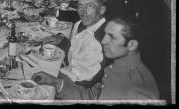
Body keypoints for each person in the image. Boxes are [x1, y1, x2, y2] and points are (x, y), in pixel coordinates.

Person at [32, 15, 160, 100]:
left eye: (112, 37)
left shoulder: (137, 89)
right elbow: (92, 97)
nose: (103, 41)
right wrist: (54, 81)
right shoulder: (116, 66)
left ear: (132, 45)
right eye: (105, 35)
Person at [33, 0, 111, 87]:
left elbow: (84, 83)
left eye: (89, 6)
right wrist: (62, 41)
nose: (83, 11)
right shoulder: (80, 24)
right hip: (69, 74)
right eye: (80, 6)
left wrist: (52, 75)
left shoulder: (100, 39)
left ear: (102, 9)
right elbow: (78, 54)